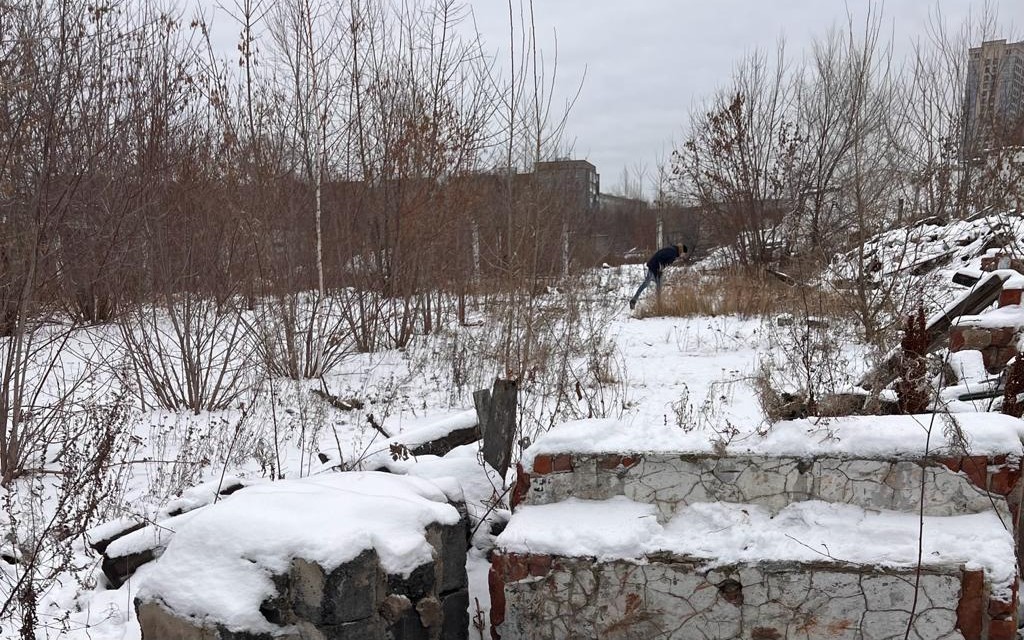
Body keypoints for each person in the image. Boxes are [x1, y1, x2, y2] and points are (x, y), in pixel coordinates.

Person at [629, 243, 687, 310]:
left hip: (656, 267)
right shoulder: (672, 253)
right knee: (646, 283)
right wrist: (659, 269)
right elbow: (660, 258)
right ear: (682, 251)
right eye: (684, 254)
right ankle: (633, 300)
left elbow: (663, 261)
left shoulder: (672, 250)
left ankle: (658, 305)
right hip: (653, 267)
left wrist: (661, 269)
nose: (683, 256)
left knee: (659, 287)